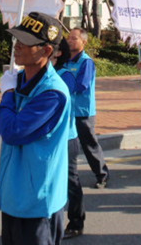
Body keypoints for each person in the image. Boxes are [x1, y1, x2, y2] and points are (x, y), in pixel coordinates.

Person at [0, 12, 71, 245]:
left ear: (47, 51)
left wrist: (7, 94)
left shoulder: (52, 92)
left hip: (37, 202)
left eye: (26, 41)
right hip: (11, 196)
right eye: (17, 39)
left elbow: (13, 132)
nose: (17, 46)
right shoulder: (18, 81)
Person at [64, 27, 110, 188]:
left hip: (83, 111)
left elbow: (82, 85)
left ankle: (102, 175)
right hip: (68, 111)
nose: (70, 40)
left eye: (74, 38)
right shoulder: (65, 61)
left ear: (84, 41)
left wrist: (63, 86)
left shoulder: (86, 62)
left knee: (89, 144)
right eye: (69, 38)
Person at [54, 38, 85, 239]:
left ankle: (76, 221)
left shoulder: (65, 76)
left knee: (70, 182)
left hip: (65, 138)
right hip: (50, 140)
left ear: (56, 53)